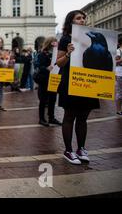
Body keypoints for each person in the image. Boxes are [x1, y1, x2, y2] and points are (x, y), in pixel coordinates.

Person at [56, 10, 100, 165]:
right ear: (71, 21)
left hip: (88, 81)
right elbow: (59, 62)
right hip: (70, 80)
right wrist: (68, 53)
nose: (83, 20)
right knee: (70, 116)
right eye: (79, 18)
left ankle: (81, 148)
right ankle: (68, 150)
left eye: (84, 18)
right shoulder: (65, 39)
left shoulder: (90, 38)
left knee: (83, 117)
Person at [36, 37, 62, 127]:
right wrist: (46, 68)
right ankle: (41, 118)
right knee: (43, 100)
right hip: (44, 79)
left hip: (54, 79)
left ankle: (51, 117)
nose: (56, 43)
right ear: (50, 43)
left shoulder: (56, 53)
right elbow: (38, 65)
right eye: (54, 42)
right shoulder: (43, 54)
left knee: (53, 99)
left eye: (56, 41)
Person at [115, 35, 122, 115]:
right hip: (120, 72)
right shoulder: (118, 51)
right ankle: (118, 110)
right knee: (119, 92)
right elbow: (116, 62)